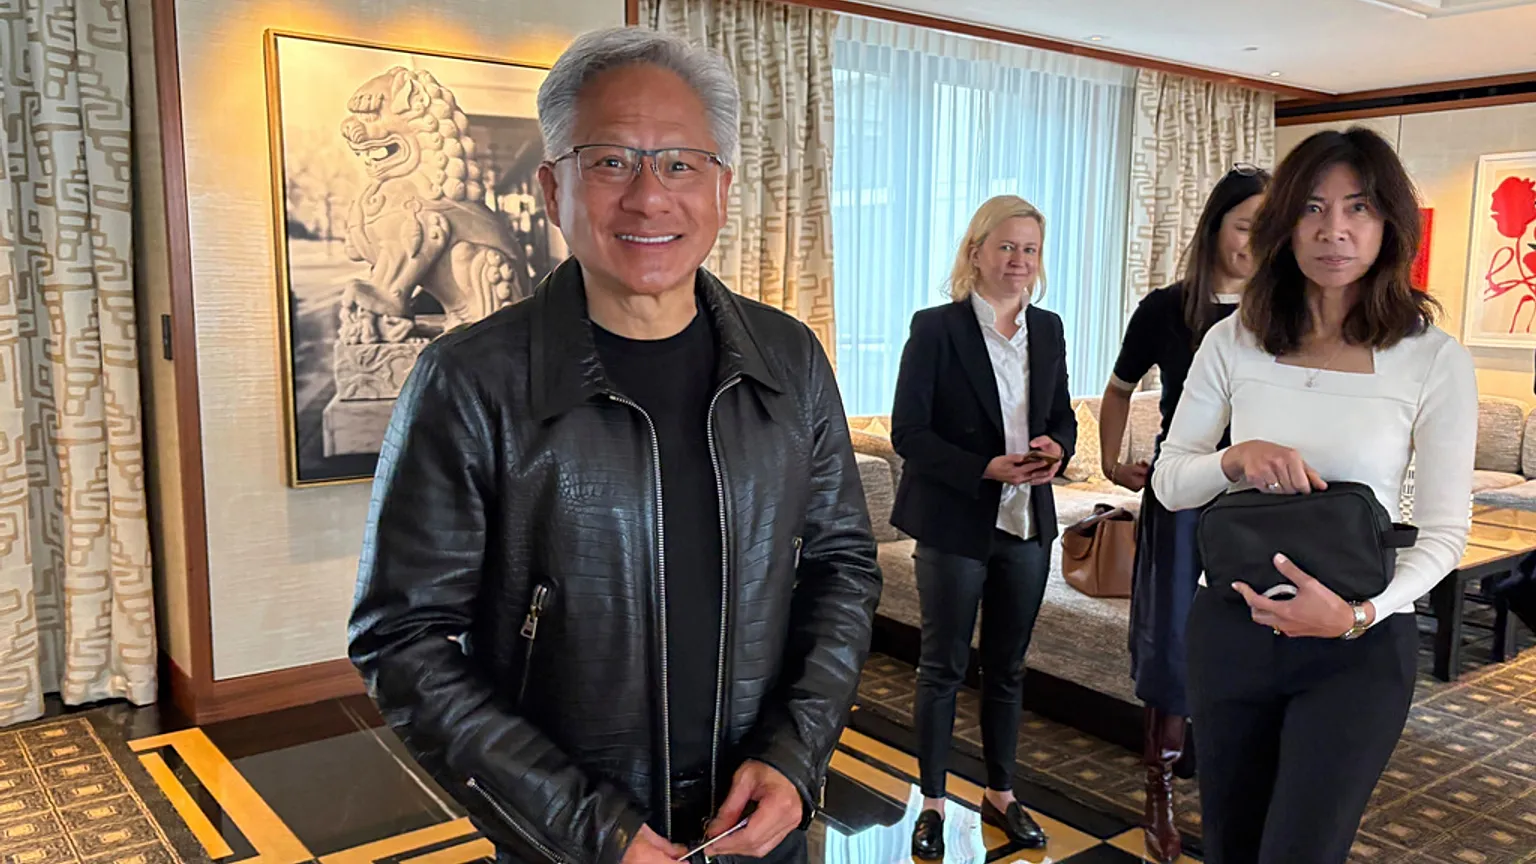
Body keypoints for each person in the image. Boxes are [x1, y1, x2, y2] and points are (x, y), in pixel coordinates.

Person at [347, 27, 882, 864]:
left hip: (757, 830)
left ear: (722, 187)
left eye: (680, 164)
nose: (648, 197)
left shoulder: (789, 359)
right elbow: (403, 640)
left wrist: (796, 756)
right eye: (610, 162)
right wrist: (587, 827)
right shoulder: (471, 381)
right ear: (553, 186)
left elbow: (842, 565)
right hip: (572, 842)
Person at [1152, 127, 1476, 863]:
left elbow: (1443, 535)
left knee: (1303, 849)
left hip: (1356, 646)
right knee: (1230, 846)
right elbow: (1171, 483)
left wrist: (1359, 614)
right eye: (1313, 208)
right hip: (1233, 628)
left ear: (1390, 224)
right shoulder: (1235, 338)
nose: (1335, 230)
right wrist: (1235, 458)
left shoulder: (1431, 358)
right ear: (1285, 225)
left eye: (1358, 207)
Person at [889, 195, 1077, 860]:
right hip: (955, 519)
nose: (1019, 260)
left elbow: (1062, 416)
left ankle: (1001, 794)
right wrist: (983, 468)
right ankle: (933, 804)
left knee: (1007, 669)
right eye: (1007, 247)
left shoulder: (1048, 329)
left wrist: (1058, 447)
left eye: (1030, 249)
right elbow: (908, 433)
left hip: (1027, 523)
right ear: (976, 252)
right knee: (941, 668)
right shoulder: (936, 328)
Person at [1099, 165, 1269, 862]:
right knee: (1171, 641)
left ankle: (1242, 783)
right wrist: (1112, 462)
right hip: (1183, 492)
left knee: (1256, 637)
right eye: (1245, 226)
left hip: (1259, 502)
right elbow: (1118, 389)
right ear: (1215, 228)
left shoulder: (1288, 310)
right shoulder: (1167, 308)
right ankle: (1161, 787)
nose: (1255, 242)